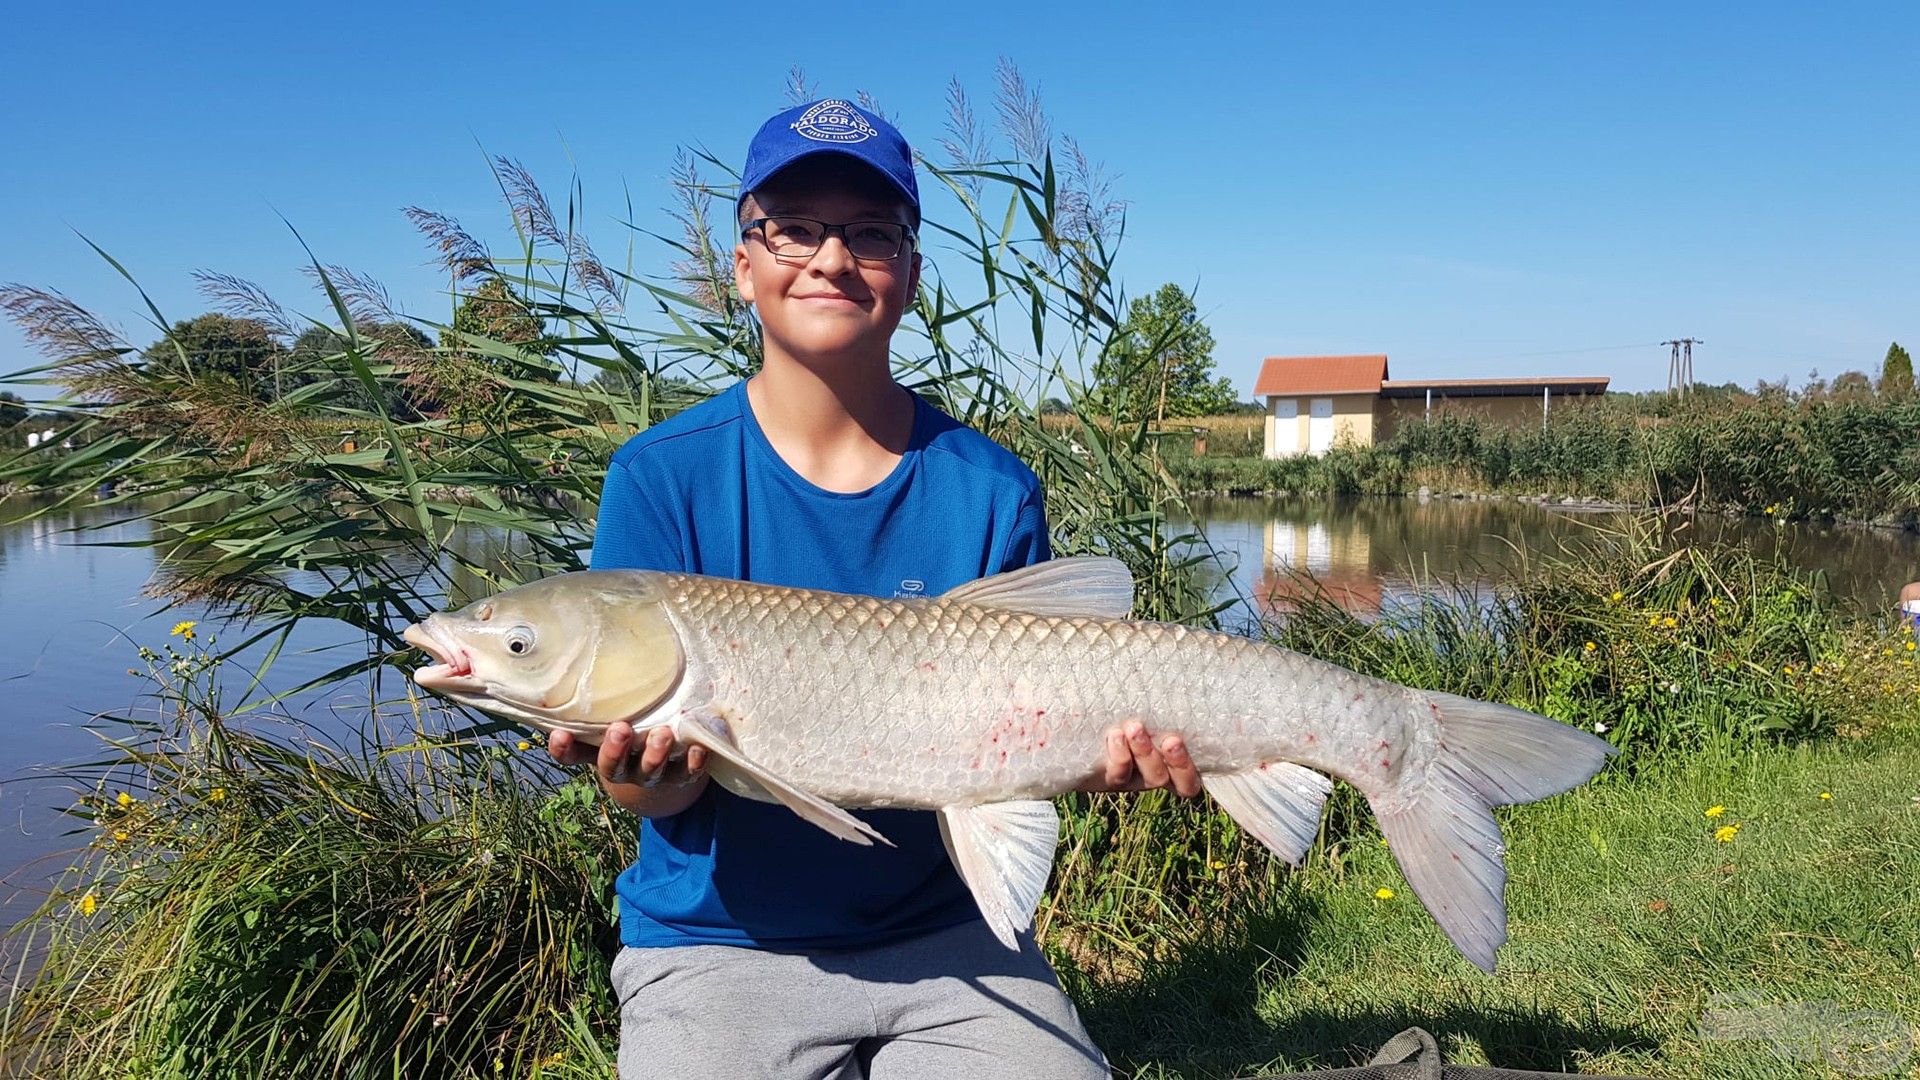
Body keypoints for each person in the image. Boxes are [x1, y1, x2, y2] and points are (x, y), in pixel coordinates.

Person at [546, 99, 1201, 1079]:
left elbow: (1022, 739)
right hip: (720, 945)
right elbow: (650, 796)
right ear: (744, 264)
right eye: (795, 228)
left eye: (871, 233)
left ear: (912, 272)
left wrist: (1094, 753)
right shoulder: (660, 477)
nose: (831, 258)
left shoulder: (991, 486)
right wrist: (641, 775)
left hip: (954, 936)